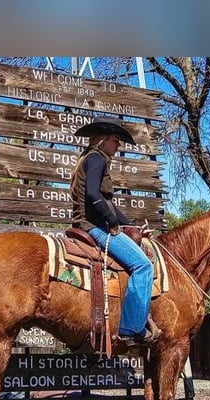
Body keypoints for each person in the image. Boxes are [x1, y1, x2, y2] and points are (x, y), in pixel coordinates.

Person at [70, 117, 160, 346]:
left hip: (87, 223)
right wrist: (112, 222)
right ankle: (131, 328)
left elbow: (107, 202)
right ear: (104, 140)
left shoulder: (87, 159)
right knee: (143, 266)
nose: (118, 146)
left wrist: (131, 226)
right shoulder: (97, 159)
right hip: (94, 227)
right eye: (116, 140)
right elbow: (93, 195)